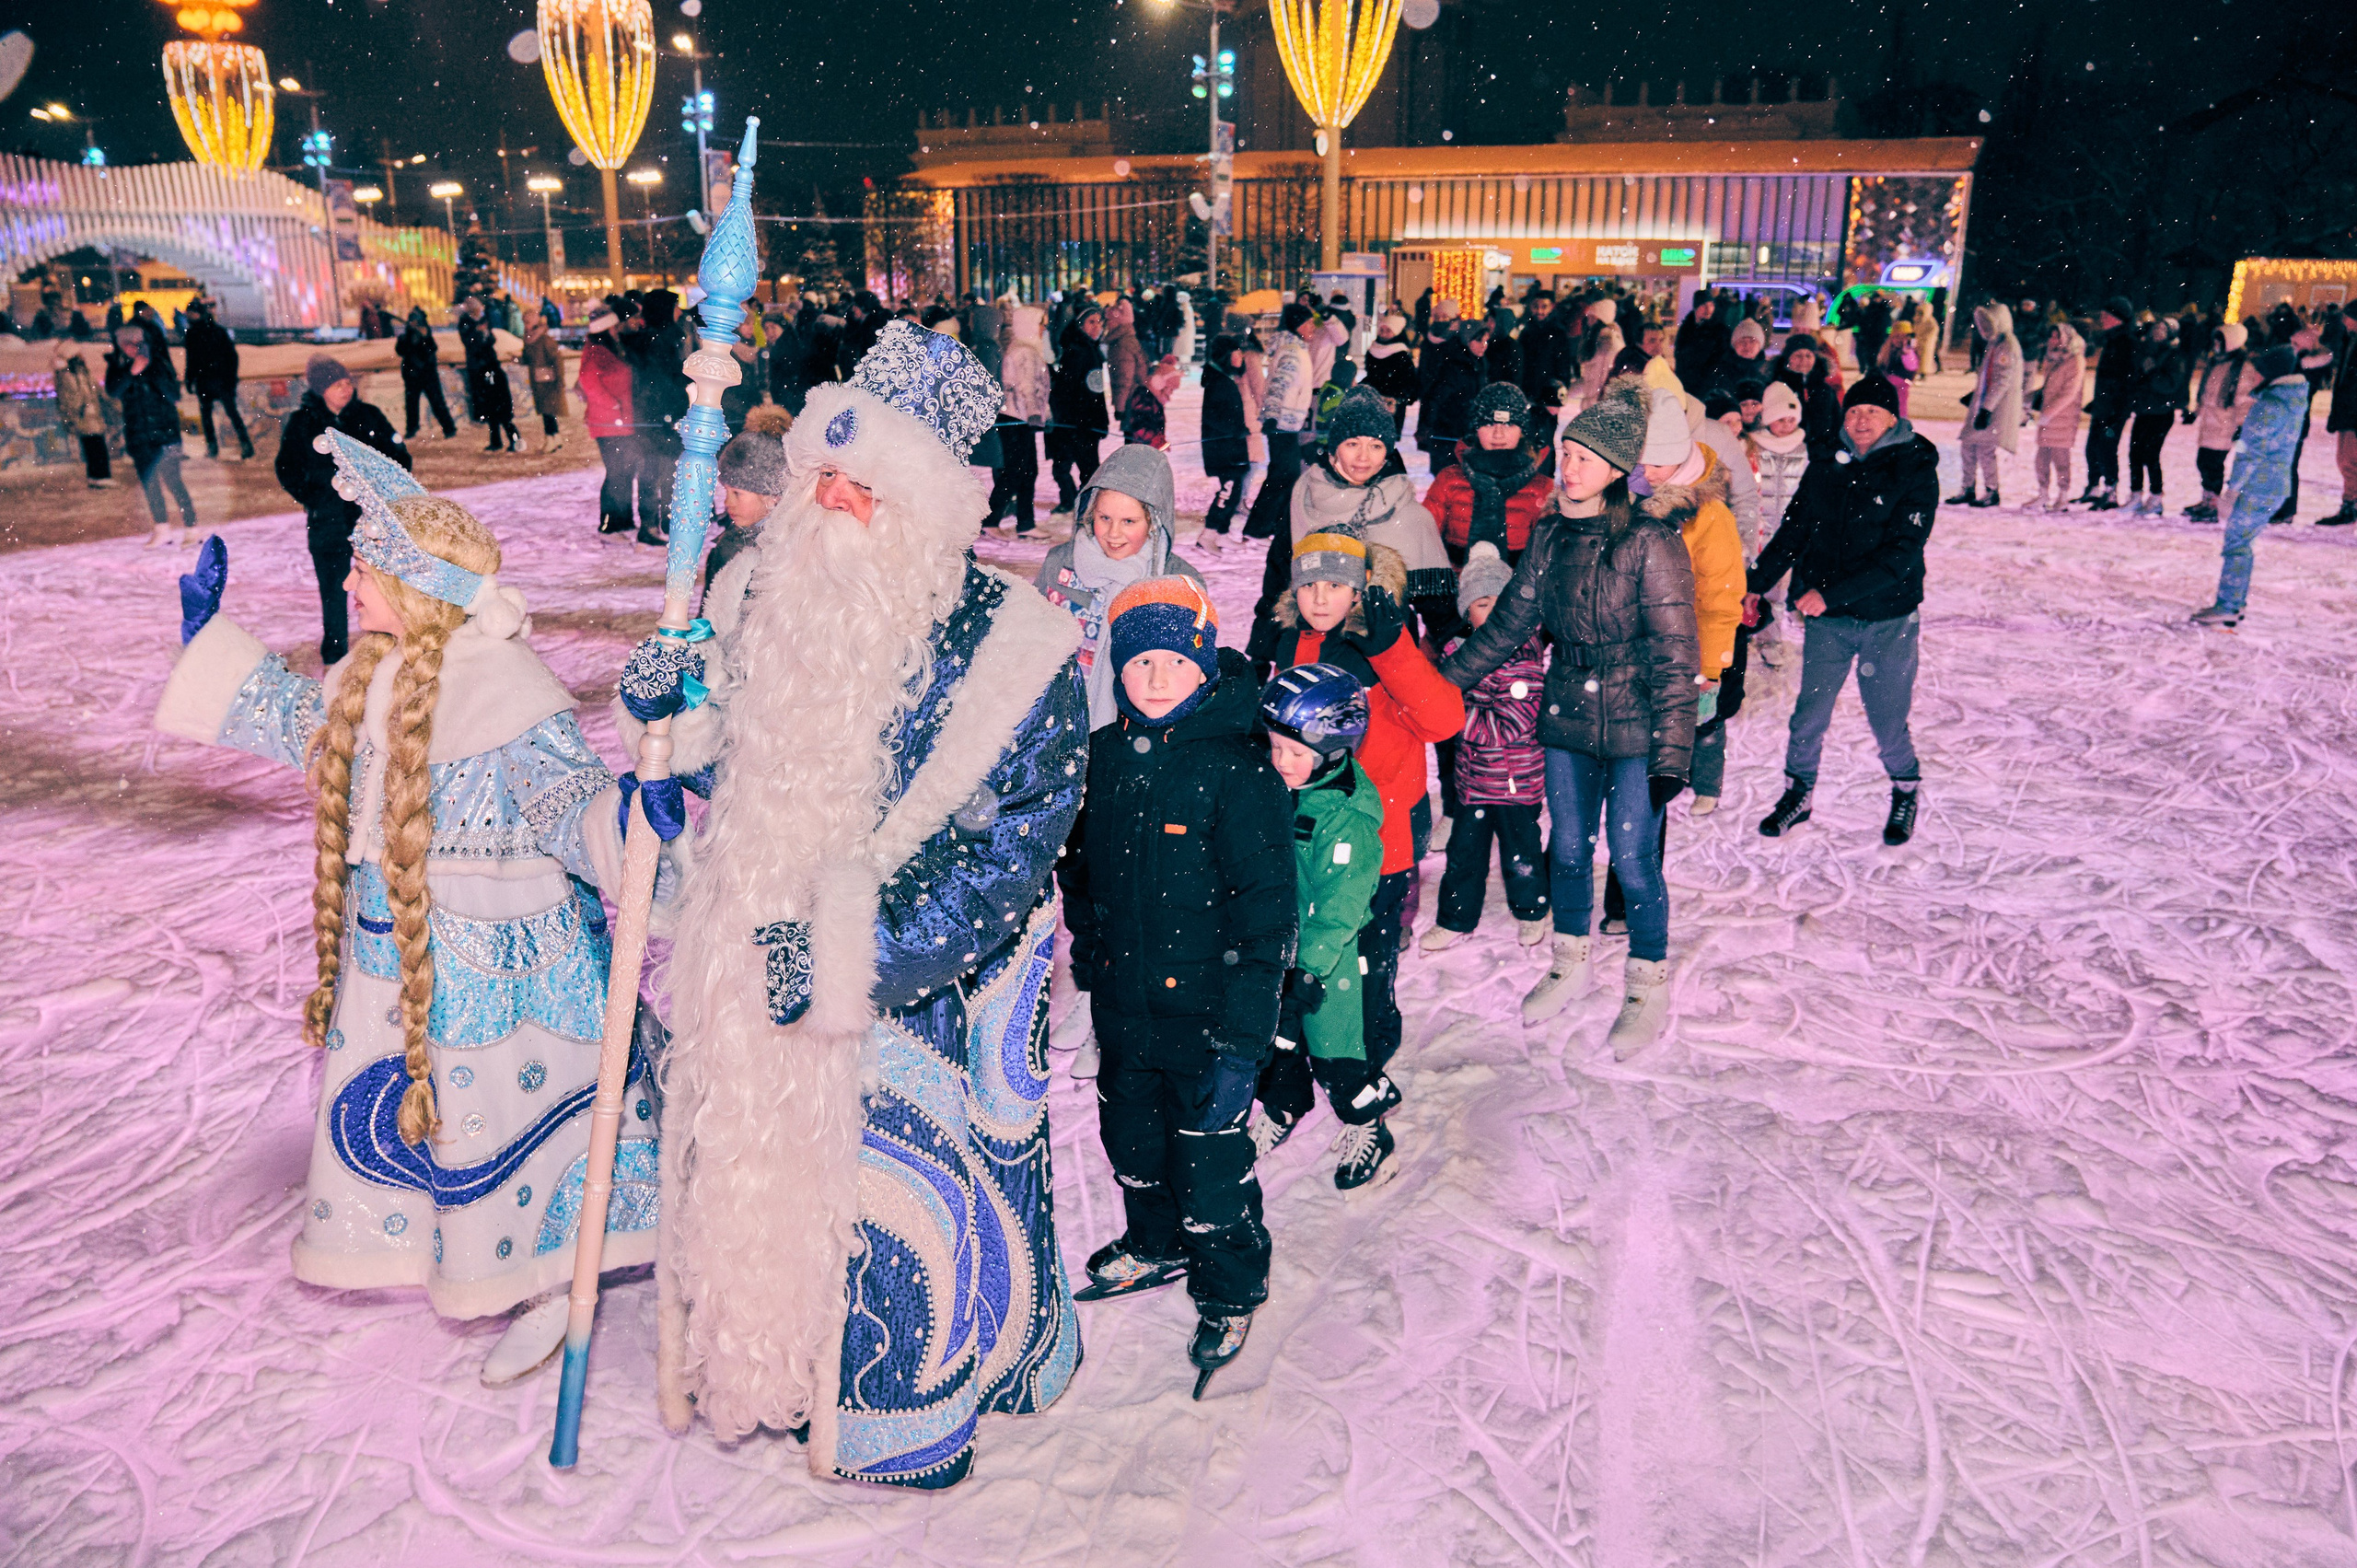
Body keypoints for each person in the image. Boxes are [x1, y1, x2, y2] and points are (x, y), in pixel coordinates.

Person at [616, 321, 1086, 1485]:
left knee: (893, 1216)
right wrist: (665, 716)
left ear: (921, 507)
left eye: (859, 486)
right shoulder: (753, 593)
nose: (828, 504)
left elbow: (1003, 854)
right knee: (740, 1169)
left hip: (899, 990)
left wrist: (838, 956)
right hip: (743, 954)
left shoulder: (1015, 649)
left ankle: (891, 1411)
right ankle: (761, 1360)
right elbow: (711, 744)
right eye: (819, 477)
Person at [156, 435, 659, 1389]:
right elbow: (304, 726)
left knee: (501, 1123)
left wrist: (636, 813)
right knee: (432, 1123)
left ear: (413, 586)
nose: (347, 580)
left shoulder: (511, 693)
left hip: (506, 975)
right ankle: (458, 1255)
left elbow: (569, 812)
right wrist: (209, 647)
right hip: (396, 961)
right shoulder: (373, 671)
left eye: (365, 567)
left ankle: (552, 1278)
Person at [1053, 575, 1291, 1397]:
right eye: (1139, 661)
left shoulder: (1240, 771)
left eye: (1173, 662)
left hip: (1210, 1021)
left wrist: (1244, 1042)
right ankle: (1154, 1242)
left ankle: (1228, 1283)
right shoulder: (1104, 759)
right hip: (1128, 1013)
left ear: (1203, 668)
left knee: (1211, 1167)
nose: (1156, 677)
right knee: (1135, 1152)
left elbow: (1267, 920)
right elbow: (1080, 876)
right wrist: (1092, 963)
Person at [1441, 377, 1698, 1054]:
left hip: (1639, 719)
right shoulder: (1551, 535)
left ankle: (1646, 981)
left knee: (1635, 858)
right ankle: (1569, 962)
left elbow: (1677, 652)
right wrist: (1442, 685)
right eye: (1566, 455)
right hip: (1567, 712)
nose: (1569, 468)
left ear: (1616, 470)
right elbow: (1505, 630)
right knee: (1571, 849)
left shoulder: (1651, 542)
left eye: (1583, 458)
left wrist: (1675, 748)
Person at [1263, 530, 1461, 1178]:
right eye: (1310, 583)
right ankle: (1284, 1093)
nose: (1321, 597)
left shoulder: (1385, 646)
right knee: (1287, 978)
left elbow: (1444, 718)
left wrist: (1391, 647)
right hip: (1294, 848)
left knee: (1360, 988)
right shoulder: (1290, 641)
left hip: (1376, 853)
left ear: (1361, 588)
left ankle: (1364, 1102)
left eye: (1336, 584)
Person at [1748, 375, 1938, 846]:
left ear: (1893, 418)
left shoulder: (1913, 468)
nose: (1860, 420)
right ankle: (1799, 792)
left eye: (1872, 411)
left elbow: (1901, 556)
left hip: (1887, 620)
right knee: (1809, 713)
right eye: (1853, 412)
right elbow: (1793, 532)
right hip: (1828, 624)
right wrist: (1754, 586)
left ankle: (1905, 788)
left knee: (1887, 718)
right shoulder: (1826, 468)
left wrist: (1831, 595)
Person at [1600, 389, 1743, 925]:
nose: (1650, 472)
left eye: (1660, 461)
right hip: (1610, 656)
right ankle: (1559, 874)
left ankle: (1628, 895)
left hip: (1669, 664)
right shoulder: (1620, 495)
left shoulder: (1708, 515)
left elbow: (1720, 598)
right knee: (1595, 770)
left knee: (1646, 784)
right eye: (1641, 461)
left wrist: (1706, 670)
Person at [1248, 664, 1391, 1173]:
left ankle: (1366, 1120)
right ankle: (1284, 1103)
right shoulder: (1283, 785)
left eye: (1295, 753)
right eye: (1274, 746)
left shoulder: (1344, 820)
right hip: (1281, 941)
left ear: (1333, 752)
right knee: (1274, 1041)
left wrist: (1307, 973)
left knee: (1338, 1051)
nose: (1279, 761)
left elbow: (1339, 912)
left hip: (1333, 956)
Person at [1258, 388, 1456, 660]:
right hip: (1309, 648)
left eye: (1375, 446)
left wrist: (1462, 662)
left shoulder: (1410, 516)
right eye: (1352, 444)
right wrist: (1260, 656)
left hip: (1385, 655)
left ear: (1387, 452)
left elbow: (1439, 612)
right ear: (1334, 448)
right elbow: (1278, 583)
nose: (1364, 457)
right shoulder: (1303, 500)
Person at [1422, 543, 1550, 952]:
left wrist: (1460, 712)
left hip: (1516, 784)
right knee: (1463, 857)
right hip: (1472, 781)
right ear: (1467, 614)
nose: (1492, 611)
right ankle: (1456, 919)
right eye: (1481, 603)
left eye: (1501, 601)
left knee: (1521, 856)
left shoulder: (1524, 659)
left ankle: (1532, 911)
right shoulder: (1456, 655)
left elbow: (1510, 724)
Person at [1035, 444, 1206, 731]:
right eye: (1105, 518)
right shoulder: (1059, 564)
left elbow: (1188, 674)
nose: (1114, 534)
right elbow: (1028, 641)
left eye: (1129, 521)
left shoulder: (1178, 583)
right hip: (1053, 722)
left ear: (1153, 522)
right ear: (1090, 513)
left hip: (1133, 733)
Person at [277, 354, 412, 664]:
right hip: (328, 521)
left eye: (348, 383)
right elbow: (286, 467)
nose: (346, 389)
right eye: (337, 384)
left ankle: (394, 644)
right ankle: (335, 657)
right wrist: (315, 497)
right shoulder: (303, 423)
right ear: (321, 389)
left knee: (384, 585)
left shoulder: (369, 416)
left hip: (373, 518)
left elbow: (399, 457)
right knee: (334, 590)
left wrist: (383, 491)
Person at [2191, 345, 2309, 630]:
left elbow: (2249, 454)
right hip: (2276, 485)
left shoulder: (2268, 406)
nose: (2253, 374)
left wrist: (2232, 491)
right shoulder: (2292, 400)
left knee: (2237, 544)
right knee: (2242, 543)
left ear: (2271, 373)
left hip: (2257, 486)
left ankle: (2229, 606)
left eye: (2259, 370)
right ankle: (2234, 602)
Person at [1422, 381, 1552, 565]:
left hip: (1515, 590)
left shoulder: (1541, 489)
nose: (1498, 434)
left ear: (1522, 431)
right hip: (1456, 586)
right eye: (1489, 424)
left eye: (1508, 425)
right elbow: (1423, 538)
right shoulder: (1449, 480)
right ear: (1476, 429)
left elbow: (1547, 558)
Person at [108, 327, 197, 548]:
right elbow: (113, 391)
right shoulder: (117, 366)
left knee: (174, 481)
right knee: (149, 483)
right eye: (126, 344)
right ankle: (162, 529)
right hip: (139, 435)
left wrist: (151, 373)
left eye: (136, 344)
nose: (131, 348)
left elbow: (174, 394)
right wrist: (130, 373)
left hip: (164, 432)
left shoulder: (158, 362)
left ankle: (192, 528)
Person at [1243, 301, 1324, 539]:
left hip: (1288, 423)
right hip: (1281, 424)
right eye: (1309, 323)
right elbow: (1278, 386)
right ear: (1297, 325)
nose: (1313, 328)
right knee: (1284, 474)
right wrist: (1273, 417)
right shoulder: (1292, 352)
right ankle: (1261, 526)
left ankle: (1274, 524)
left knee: (1285, 474)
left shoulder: (1296, 350)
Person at [622, 292, 688, 541]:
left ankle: (658, 523)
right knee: (660, 470)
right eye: (675, 307)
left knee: (658, 470)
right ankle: (658, 524)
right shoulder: (658, 341)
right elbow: (660, 382)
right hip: (658, 417)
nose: (679, 312)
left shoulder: (654, 339)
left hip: (654, 416)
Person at [704, 409, 793, 583]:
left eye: (737, 493)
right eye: (726, 491)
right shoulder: (728, 545)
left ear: (772, 496)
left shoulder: (785, 555)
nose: (727, 502)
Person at [575, 305, 639, 538]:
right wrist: (613, 405)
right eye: (613, 327)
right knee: (617, 473)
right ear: (605, 329)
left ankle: (623, 519)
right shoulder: (596, 351)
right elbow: (588, 381)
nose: (617, 330)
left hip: (619, 422)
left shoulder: (610, 349)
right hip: (609, 424)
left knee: (624, 472)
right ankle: (611, 522)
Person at [990, 299, 1051, 533]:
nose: (1043, 329)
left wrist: (1042, 413)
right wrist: (1036, 413)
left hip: (1018, 418)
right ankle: (993, 519)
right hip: (1017, 418)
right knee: (1017, 471)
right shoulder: (1025, 352)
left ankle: (1025, 523)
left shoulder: (1025, 348)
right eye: (1040, 324)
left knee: (1024, 471)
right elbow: (1026, 387)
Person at [1951, 303, 2022, 508]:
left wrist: (1986, 409)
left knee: (1984, 448)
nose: (1983, 329)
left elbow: (2002, 380)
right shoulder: (1995, 343)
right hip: (1984, 405)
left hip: (1993, 409)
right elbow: (1989, 377)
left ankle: (1991, 491)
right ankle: (1968, 488)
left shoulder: (2007, 344)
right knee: (1969, 445)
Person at [2186, 323, 2258, 521]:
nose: (2216, 344)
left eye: (2221, 340)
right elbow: (2207, 393)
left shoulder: (2242, 367)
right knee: (2203, 462)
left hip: (2226, 424)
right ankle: (2207, 498)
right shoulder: (2215, 363)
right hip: (2209, 423)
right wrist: (2196, 412)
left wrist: (2242, 425)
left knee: (2213, 465)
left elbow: (2244, 399)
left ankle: (2214, 504)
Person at [1048, 303, 1109, 519]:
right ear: (1080, 325)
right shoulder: (1079, 351)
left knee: (1082, 465)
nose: (1097, 326)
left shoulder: (1088, 349)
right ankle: (1084, 504)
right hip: (1078, 420)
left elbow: (1095, 390)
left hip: (1083, 420)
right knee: (1080, 466)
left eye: (1100, 322)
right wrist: (1087, 419)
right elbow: (1071, 389)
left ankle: (1083, 503)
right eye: (1091, 322)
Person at [2079, 297, 2137, 509]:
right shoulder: (2113, 339)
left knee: (2106, 448)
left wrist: (2118, 406)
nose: (2102, 319)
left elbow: (2127, 380)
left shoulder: (2128, 342)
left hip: (2115, 409)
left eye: (2106, 316)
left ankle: (2111, 492)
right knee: (2092, 447)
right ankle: (2093, 487)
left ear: (2118, 319)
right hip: (2104, 405)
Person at [1198, 333, 1254, 549]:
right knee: (1228, 492)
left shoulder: (1223, 379)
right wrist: (1236, 429)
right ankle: (1208, 534)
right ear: (1225, 356)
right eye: (1236, 353)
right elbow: (1214, 417)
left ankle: (1221, 532)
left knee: (1234, 490)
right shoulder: (1219, 382)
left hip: (1231, 447)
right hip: (1224, 450)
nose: (1240, 357)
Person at [2125, 318, 2184, 516]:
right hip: (2144, 410)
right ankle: (2135, 494)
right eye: (2156, 328)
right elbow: (2135, 378)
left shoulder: (2174, 356)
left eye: (2163, 329)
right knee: (2134, 453)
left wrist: (2152, 373)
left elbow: (2170, 385)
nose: (2158, 332)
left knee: (2151, 454)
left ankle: (2156, 496)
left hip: (2161, 413)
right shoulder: (2144, 350)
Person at [182, 302, 253, 460]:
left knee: (211, 414)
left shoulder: (196, 333)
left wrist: (190, 378)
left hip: (210, 379)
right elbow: (231, 356)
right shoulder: (215, 331)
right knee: (228, 412)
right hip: (217, 379)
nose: (189, 316)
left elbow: (192, 359)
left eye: (191, 313)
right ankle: (243, 444)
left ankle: (215, 446)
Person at [1419, 319, 1488, 477]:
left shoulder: (1479, 363)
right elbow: (1436, 398)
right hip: (1449, 433)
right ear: (1466, 339)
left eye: (1485, 341)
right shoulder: (1454, 365)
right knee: (1449, 478)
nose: (1483, 345)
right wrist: (1428, 425)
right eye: (1478, 340)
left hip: (1467, 433)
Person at [2029, 321, 2085, 512]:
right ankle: (2043, 493)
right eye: (2051, 336)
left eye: (2057, 336)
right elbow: (2049, 388)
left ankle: (2063, 496)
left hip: (2064, 417)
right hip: (2049, 415)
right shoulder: (2052, 359)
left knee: (2061, 458)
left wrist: (2049, 413)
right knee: (2041, 457)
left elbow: (2070, 392)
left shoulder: (2075, 360)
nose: (2053, 340)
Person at [51, 341, 112, 489]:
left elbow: (94, 390)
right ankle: (98, 476)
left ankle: (99, 476)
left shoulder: (82, 373)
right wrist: (78, 410)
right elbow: (71, 397)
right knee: (94, 446)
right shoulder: (67, 375)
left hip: (92, 415)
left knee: (97, 445)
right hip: (84, 416)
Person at [1772, 334, 1843, 460]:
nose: (1803, 360)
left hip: (1822, 456)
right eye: (1798, 355)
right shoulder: (1778, 388)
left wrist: (1832, 449)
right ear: (1788, 359)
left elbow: (1837, 423)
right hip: (1788, 454)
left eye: (1808, 355)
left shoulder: (1825, 390)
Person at [1754, 381, 1811, 532]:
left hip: (1791, 529)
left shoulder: (1805, 451)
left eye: (1791, 420)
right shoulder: (1754, 447)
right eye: (1780, 420)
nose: (1786, 425)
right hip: (1759, 528)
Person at [396, 308, 458, 441]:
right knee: (412, 404)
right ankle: (412, 429)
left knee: (437, 401)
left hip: (427, 374)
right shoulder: (406, 335)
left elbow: (431, 349)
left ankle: (449, 428)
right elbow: (401, 350)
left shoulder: (426, 333)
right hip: (412, 374)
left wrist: (424, 337)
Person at [2322, 300, 2357, 527]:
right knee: (2345, 460)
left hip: (2353, 412)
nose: (2344, 321)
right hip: (2347, 410)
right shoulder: (2349, 340)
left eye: (2348, 317)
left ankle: (2350, 505)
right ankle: (2349, 503)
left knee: (2350, 460)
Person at [1516, 291, 1575, 416]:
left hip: (1550, 391)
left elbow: (1563, 365)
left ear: (1552, 307)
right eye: (1535, 307)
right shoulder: (1527, 332)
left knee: (1547, 429)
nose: (1539, 311)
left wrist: (1558, 393)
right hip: (1529, 390)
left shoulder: (1558, 332)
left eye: (1544, 307)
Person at [1362, 310, 1421, 433]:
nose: (1383, 334)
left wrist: (1397, 397)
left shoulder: (1401, 354)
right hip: (1374, 400)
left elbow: (1409, 381)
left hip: (1392, 403)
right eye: (1381, 330)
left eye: (1388, 331)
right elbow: (1371, 375)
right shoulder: (1373, 350)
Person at [520, 312, 568, 455]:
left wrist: (559, 379)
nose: (526, 326)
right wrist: (519, 359)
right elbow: (528, 358)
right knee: (546, 411)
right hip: (538, 381)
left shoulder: (545, 340)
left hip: (548, 381)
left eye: (528, 323)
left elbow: (556, 360)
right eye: (525, 323)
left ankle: (551, 440)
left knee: (548, 411)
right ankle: (555, 437)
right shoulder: (529, 340)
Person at [1100, 296, 1150, 418]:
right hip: (1136, 396)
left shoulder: (1121, 344)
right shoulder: (1127, 338)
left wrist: (1120, 407)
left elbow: (1124, 378)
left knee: (1131, 434)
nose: (1106, 324)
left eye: (1109, 320)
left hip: (1130, 400)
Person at [1120, 354, 1180, 448]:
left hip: (1148, 448)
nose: (1170, 394)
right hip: (1140, 450)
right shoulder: (1144, 397)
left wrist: (1160, 439)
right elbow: (1140, 426)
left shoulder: (1154, 399)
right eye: (1170, 389)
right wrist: (1156, 441)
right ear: (1159, 383)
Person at [1673, 295, 1729, 391]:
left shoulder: (1720, 330)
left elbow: (1721, 358)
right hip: (1686, 383)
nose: (1708, 309)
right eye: (1704, 305)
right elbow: (1679, 355)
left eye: (1711, 305)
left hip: (1708, 385)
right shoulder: (1686, 328)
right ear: (1696, 307)